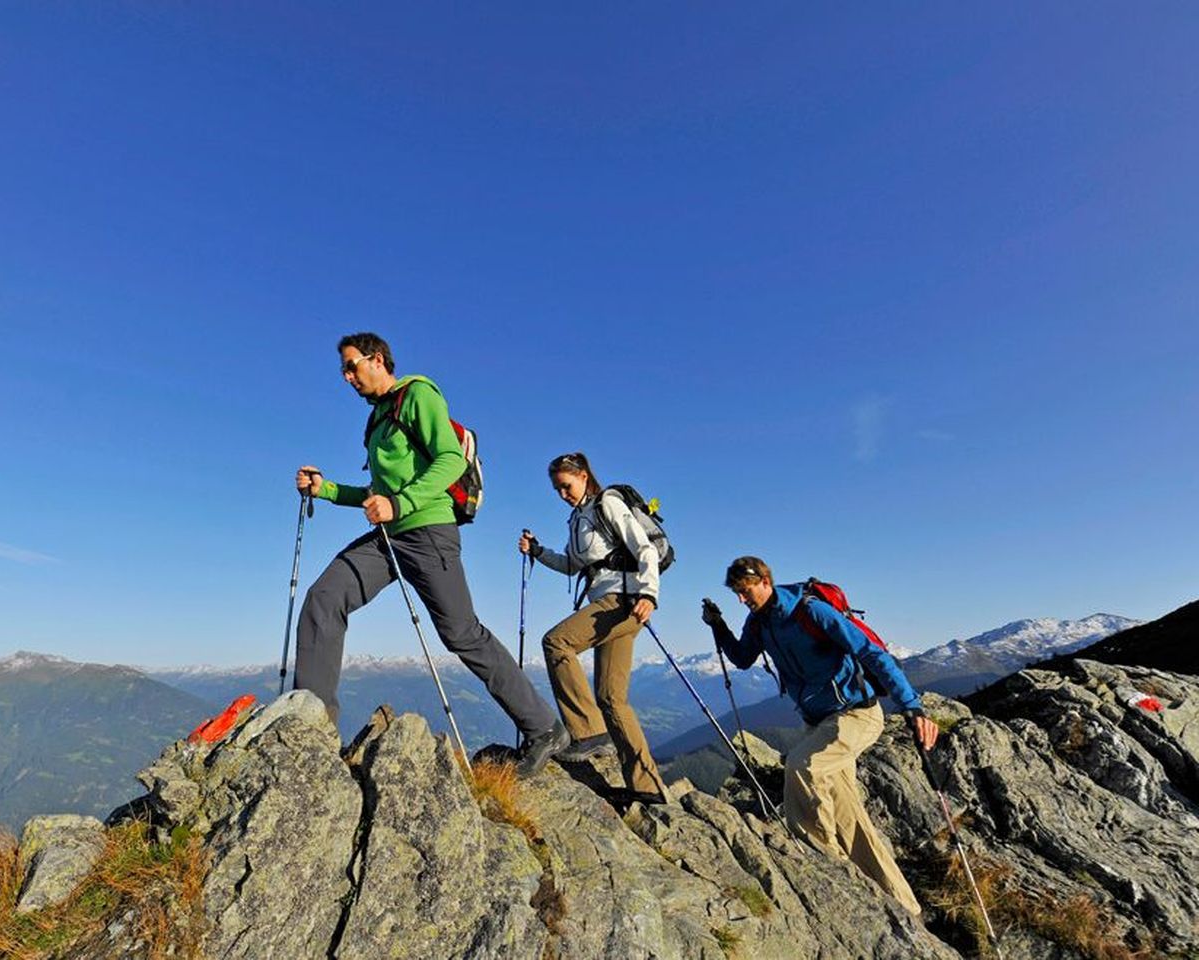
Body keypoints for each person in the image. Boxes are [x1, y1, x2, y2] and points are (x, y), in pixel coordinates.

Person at [293, 332, 569, 777]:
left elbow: (450, 461)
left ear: (377, 359)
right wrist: (324, 489)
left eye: (351, 366)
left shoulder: (417, 395)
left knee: (462, 633)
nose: (346, 377)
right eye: (343, 370)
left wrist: (399, 504)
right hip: (389, 537)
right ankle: (312, 730)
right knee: (324, 597)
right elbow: (377, 493)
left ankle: (544, 728)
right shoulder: (378, 419)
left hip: (428, 531)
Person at [702, 556, 937, 914]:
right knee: (850, 819)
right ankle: (905, 907)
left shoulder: (811, 613)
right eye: (736, 593)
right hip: (818, 722)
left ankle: (821, 862)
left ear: (765, 581)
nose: (741, 599)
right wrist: (719, 625)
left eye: (745, 591)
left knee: (802, 765)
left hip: (856, 715)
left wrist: (912, 707)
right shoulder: (759, 622)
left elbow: (872, 653)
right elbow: (743, 658)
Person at [518, 452, 670, 804]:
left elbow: (644, 548)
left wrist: (650, 593)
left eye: (566, 486)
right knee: (612, 699)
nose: (562, 494)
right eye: (557, 489)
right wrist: (538, 552)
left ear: (584, 476)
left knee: (556, 643)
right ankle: (647, 789)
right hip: (611, 605)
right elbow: (573, 565)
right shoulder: (578, 518)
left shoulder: (608, 503)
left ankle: (587, 730)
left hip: (623, 601)